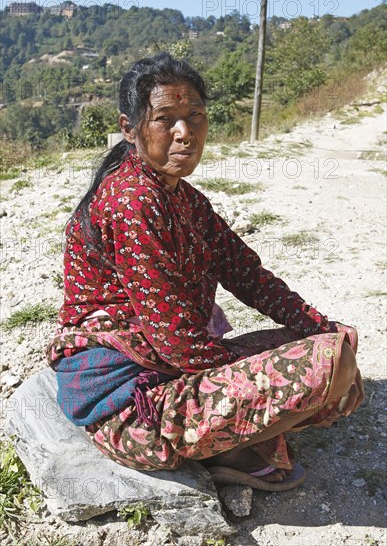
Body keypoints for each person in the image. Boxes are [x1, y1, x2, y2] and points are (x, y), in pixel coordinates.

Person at [46, 52, 364, 491]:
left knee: (328, 348)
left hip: (170, 371)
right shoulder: (132, 201)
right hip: (131, 408)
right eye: (165, 119)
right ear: (129, 128)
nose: (185, 133)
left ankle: (234, 433)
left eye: (195, 116)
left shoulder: (184, 198)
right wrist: (279, 373)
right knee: (328, 364)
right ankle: (224, 447)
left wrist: (325, 329)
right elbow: (178, 344)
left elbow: (248, 275)